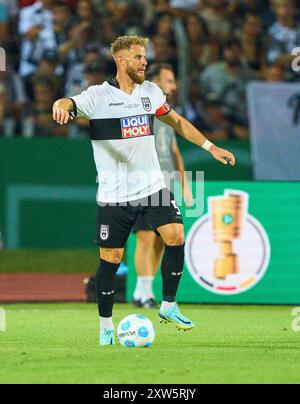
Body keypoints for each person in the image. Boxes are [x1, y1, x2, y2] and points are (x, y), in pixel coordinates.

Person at [52, 35, 236, 346]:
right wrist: (60, 103)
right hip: (114, 194)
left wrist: (210, 146)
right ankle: (106, 326)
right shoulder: (98, 96)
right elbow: (70, 103)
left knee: (176, 235)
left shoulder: (151, 92)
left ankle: (168, 305)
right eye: (138, 57)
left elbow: (177, 122)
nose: (144, 62)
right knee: (110, 259)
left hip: (153, 186)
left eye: (145, 56)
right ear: (121, 61)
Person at [132, 63, 193, 308]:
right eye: (169, 80)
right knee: (145, 236)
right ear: (155, 82)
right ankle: (142, 292)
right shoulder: (140, 107)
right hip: (144, 183)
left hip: (165, 185)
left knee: (161, 239)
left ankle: (144, 291)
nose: (174, 85)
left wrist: (185, 184)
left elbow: (174, 150)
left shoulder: (168, 113)